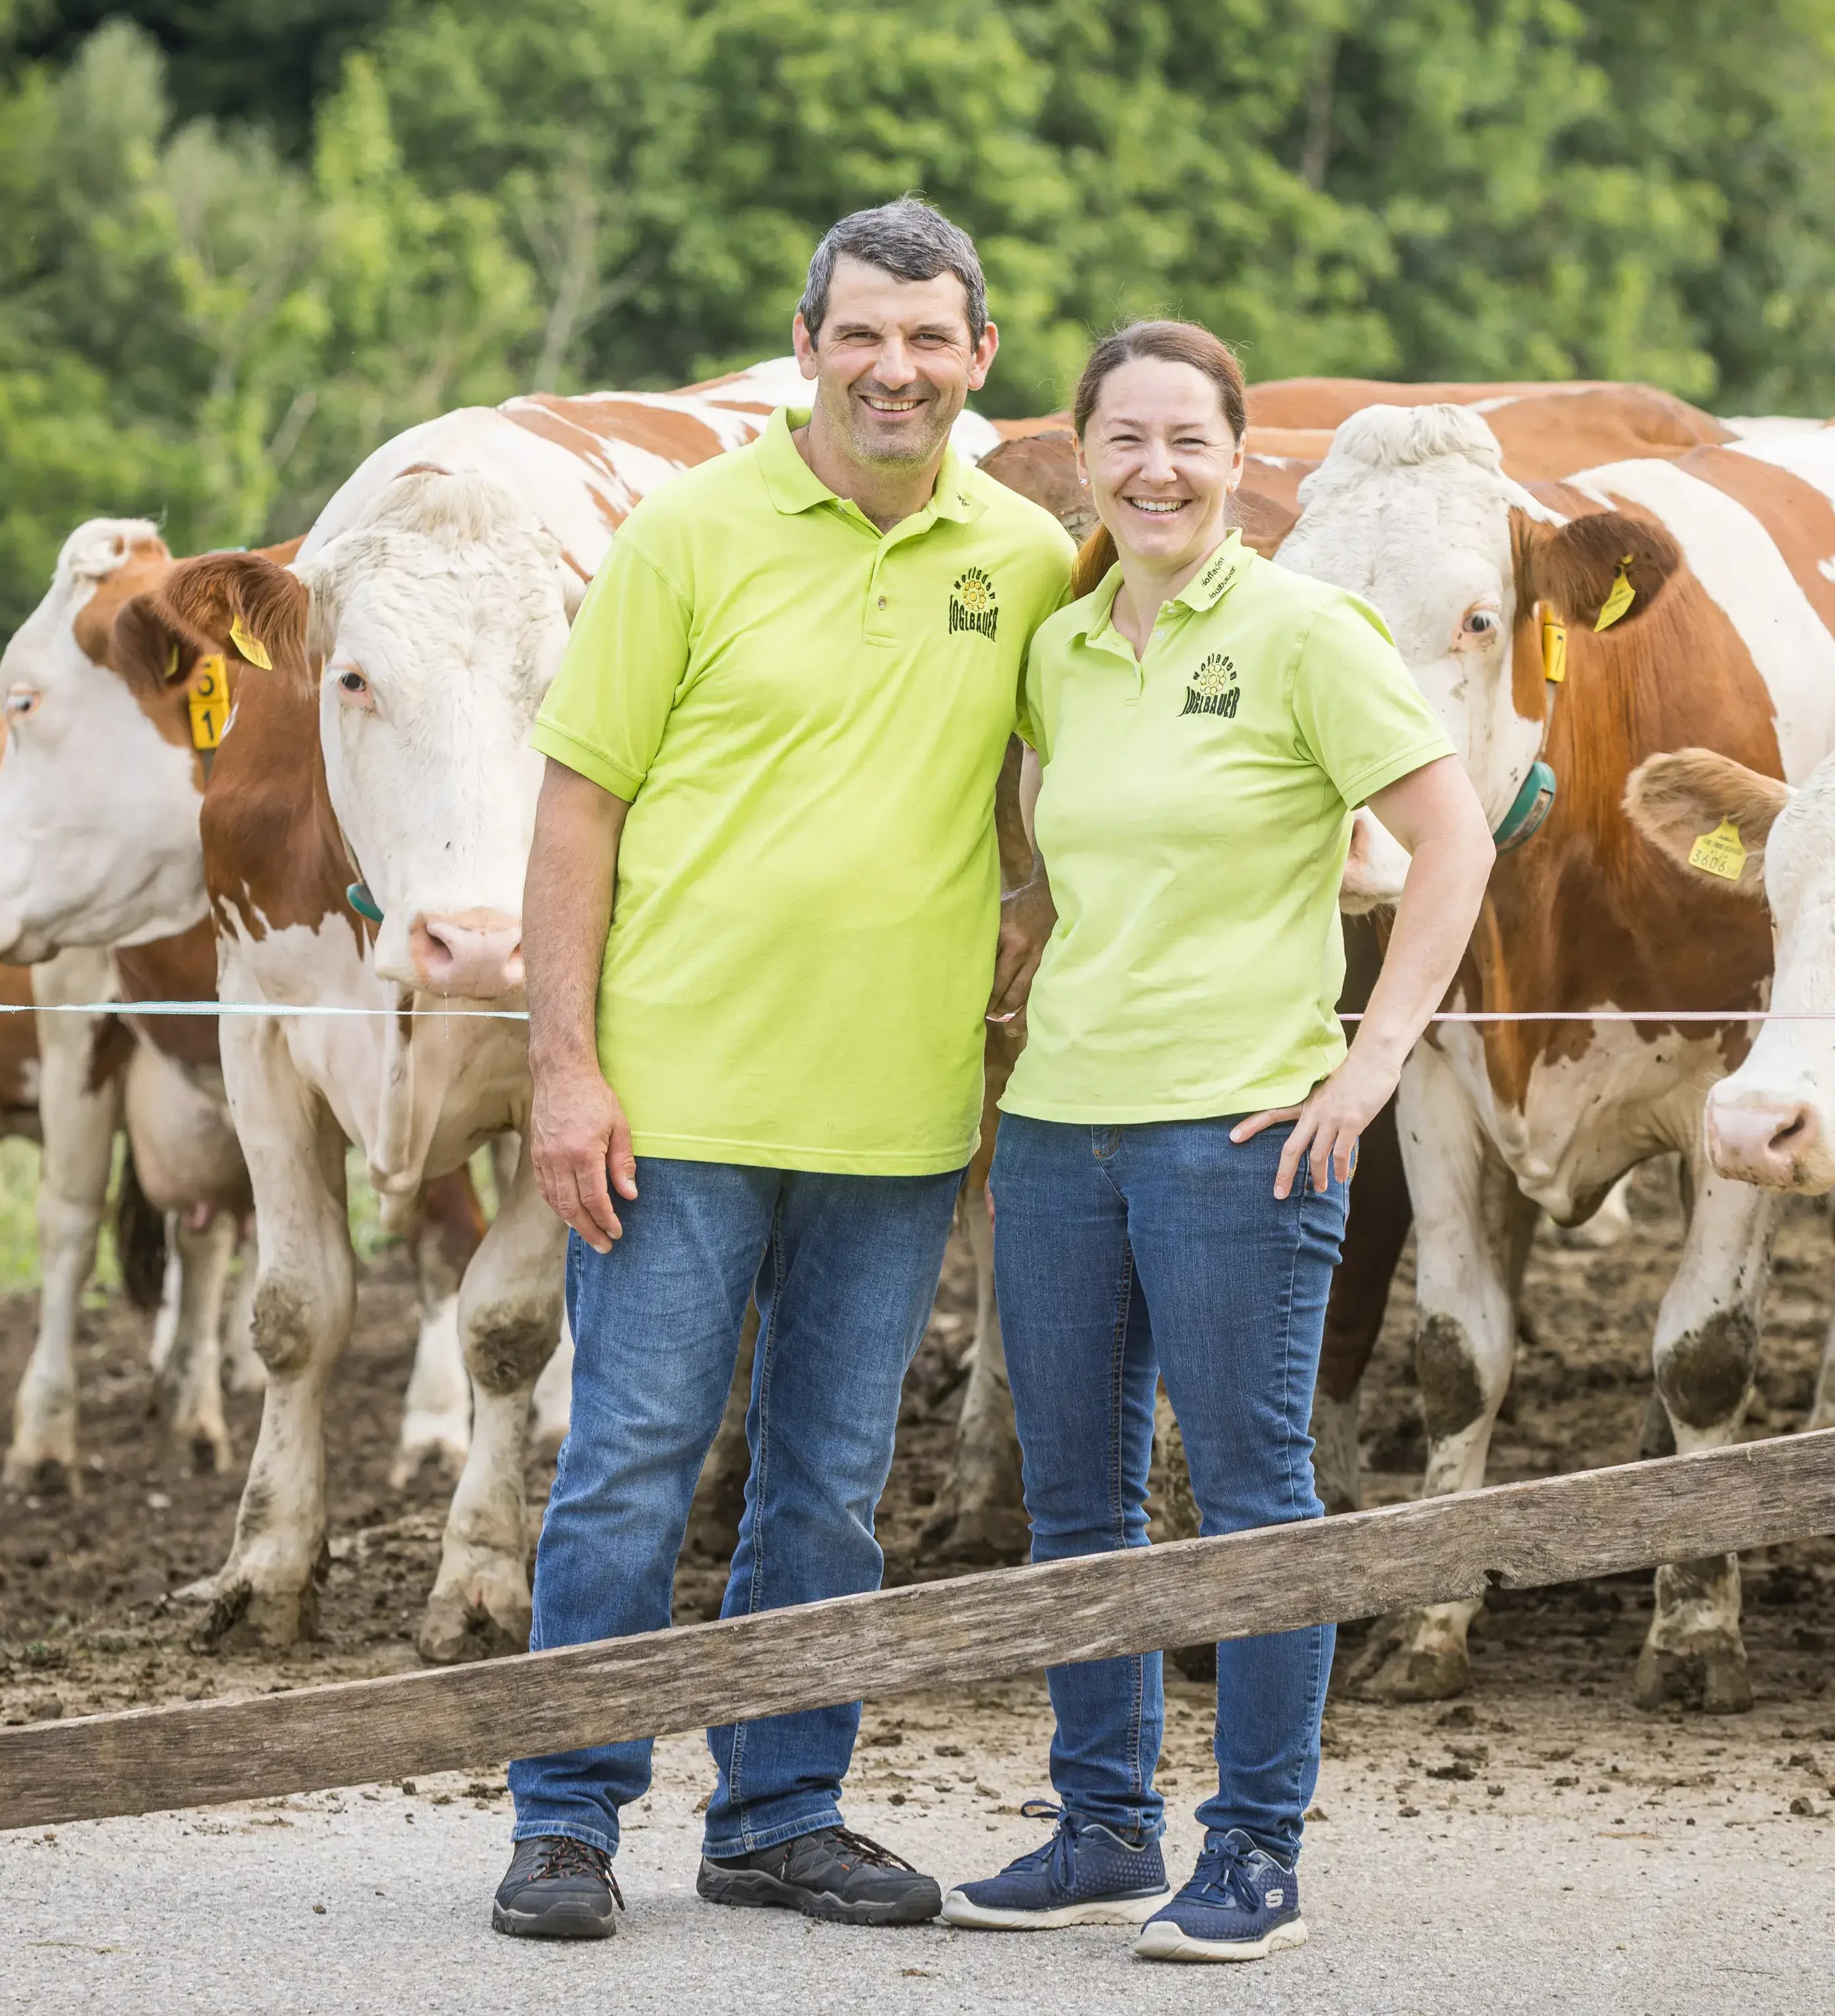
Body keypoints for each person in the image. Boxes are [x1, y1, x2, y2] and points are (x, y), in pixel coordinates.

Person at [494, 200, 1075, 1942]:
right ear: (808, 343)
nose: (893, 369)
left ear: (980, 359)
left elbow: (1085, 783)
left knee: (828, 1480)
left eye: (929, 338)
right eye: (862, 334)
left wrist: (1041, 904)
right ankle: (565, 1821)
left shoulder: (1028, 559)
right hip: (672, 1108)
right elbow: (576, 806)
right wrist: (563, 1071)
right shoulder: (686, 536)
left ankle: (777, 1810)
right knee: (629, 1459)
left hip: (894, 1116)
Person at [938, 321, 1490, 1962]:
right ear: (1086, 458)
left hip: (1234, 1130)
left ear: (1240, 458)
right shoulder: (1056, 650)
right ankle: (1103, 1824)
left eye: (1186, 439)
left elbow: (1447, 842)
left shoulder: (1308, 631)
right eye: (1122, 440)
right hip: (1055, 1128)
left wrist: (1369, 1060)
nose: (1153, 470)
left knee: (1255, 1491)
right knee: (1076, 1497)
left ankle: (1256, 1849)